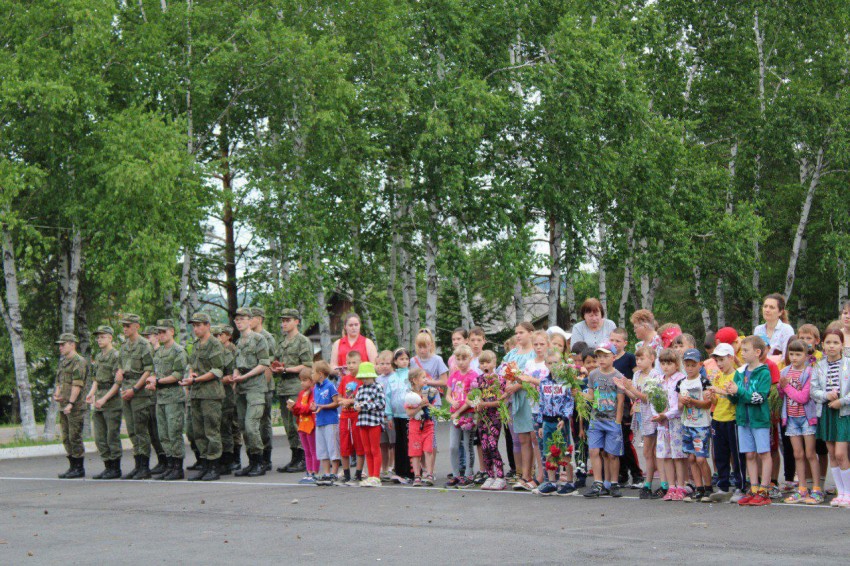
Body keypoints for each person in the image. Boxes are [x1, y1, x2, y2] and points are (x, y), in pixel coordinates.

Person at [724, 336, 773, 506]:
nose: (742, 353)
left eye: (745, 350)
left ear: (757, 352)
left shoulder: (764, 373)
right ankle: (753, 489)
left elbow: (759, 397)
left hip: (759, 420)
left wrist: (739, 392)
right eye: (742, 350)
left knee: (763, 453)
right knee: (749, 454)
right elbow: (737, 400)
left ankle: (764, 490)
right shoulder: (740, 372)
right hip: (743, 420)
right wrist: (731, 393)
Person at [181, 312, 226, 481]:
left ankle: (214, 466)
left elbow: (217, 370)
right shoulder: (197, 344)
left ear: (208, 325)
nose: (196, 328)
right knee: (198, 431)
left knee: (211, 430)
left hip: (211, 394)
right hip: (197, 393)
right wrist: (191, 376)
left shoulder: (214, 344)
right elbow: (193, 365)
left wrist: (196, 379)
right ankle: (205, 464)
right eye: (194, 326)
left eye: (199, 325)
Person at [614, 345, 662, 499]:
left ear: (652, 359)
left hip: (652, 416)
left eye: (643, 359)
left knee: (650, 451)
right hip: (641, 415)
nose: (639, 362)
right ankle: (649, 483)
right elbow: (634, 396)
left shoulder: (654, 375)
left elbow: (647, 397)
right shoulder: (637, 375)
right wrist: (624, 387)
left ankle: (655, 483)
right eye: (638, 359)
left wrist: (631, 389)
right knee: (648, 451)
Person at [810, 329, 850, 507]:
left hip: (843, 412)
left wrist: (841, 401)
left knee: (841, 453)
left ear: (842, 345)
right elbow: (814, 390)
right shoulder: (819, 365)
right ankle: (840, 492)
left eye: (836, 342)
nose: (832, 346)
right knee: (832, 453)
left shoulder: (848, 364)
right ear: (823, 345)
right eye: (828, 343)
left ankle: (848, 492)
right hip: (826, 412)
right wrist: (826, 396)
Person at [779, 339, 822, 504]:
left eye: (798, 354)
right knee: (798, 454)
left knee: (811, 453)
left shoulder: (810, 372)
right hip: (791, 418)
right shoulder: (785, 371)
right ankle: (802, 488)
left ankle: (817, 488)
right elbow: (782, 395)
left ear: (806, 355)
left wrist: (786, 387)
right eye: (791, 354)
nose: (794, 357)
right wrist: (781, 388)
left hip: (806, 418)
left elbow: (803, 397)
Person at [271, 308, 314, 474]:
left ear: (296, 321)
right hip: (283, 386)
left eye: (287, 320)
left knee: (299, 423)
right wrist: (276, 367)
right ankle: (295, 456)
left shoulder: (302, 341)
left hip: (296, 386)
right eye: (283, 321)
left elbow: (307, 365)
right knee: (288, 425)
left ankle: (303, 456)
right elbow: (276, 360)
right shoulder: (282, 342)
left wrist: (286, 369)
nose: (284, 323)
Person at [582, 341, 625, 498]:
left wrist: (618, 421)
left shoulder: (618, 376)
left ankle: (613, 482)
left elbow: (620, 401)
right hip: (596, 419)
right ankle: (598, 482)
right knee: (594, 450)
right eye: (598, 356)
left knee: (612, 454)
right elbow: (591, 396)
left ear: (613, 357)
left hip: (612, 420)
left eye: (605, 356)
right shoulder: (593, 375)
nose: (601, 359)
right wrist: (579, 394)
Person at [232, 307, 271, 477]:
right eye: (237, 319)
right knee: (243, 426)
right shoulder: (238, 342)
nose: (239, 322)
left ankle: (260, 462)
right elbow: (236, 364)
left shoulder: (259, 339)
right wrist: (235, 375)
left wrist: (245, 375)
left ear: (250, 320)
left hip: (255, 387)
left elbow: (264, 364)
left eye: (242, 319)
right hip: (241, 389)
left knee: (252, 425)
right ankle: (252, 461)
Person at [116, 313, 155, 480]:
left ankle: (144, 466)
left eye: (128, 326)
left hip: (139, 393)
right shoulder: (124, 347)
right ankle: (137, 465)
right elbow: (121, 367)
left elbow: (148, 370)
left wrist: (135, 388)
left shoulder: (145, 345)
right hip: (127, 390)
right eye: (124, 326)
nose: (125, 329)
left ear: (137, 326)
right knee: (131, 430)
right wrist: (120, 376)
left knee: (141, 430)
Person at [707, 343, 746, 503]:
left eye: (722, 360)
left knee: (737, 455)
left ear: (731, 358)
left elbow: (736, 397)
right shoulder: (718, 376)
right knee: (720, 455)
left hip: (732, 419)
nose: (720, 364)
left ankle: (740, 486)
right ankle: (723, 485)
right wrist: (712, 396)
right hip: (718, 418)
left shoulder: (737, 375)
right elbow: (717, 400)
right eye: (717, 360)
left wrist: (721, 391)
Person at [500, 322, 537, 491]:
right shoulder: (512, 353)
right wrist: (507, 386)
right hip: (516, 399)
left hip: (530, 397)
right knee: (521, 438)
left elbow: (534, 376)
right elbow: (505, 373)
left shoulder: (533, 353)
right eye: (516, 333)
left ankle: (535, 475)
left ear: (531, 333)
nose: (518, 336)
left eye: (521, 332)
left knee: (533, 436)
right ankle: (524, 475)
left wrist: (518, 385)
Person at [533, 349, 575, 496]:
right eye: (550, 363)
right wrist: (540, 423)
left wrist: (564, 418)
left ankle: (569, 482)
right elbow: (542, 403)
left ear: (562, 363)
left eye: (556, 363)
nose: (553, 366)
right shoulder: (544, 382)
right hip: (547, 421)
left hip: (560, 421)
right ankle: (551, 482)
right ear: (545, 364)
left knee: (564, 451)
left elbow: (569, 402)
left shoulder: (566, 382)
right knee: (549, 452)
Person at [149, 320, 187, 480]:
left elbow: (178, 375)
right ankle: (169, 465)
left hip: (173, 397)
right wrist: (152, 380)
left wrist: (157, 382)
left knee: (174, 432)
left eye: (163, 332)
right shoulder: (158, 352)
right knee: (163, 434)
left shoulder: (178, 351)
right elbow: (154, 371)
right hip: (161, 398)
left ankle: (178, 467)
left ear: (172, 331)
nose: (160, 335)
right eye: (158, 333)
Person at [411, 328, 448, 483]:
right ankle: (422, 469)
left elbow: (444, 381)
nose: (422, 350)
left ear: (431, 345)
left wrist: (429, 382)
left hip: (433, 403)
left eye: (425, 346)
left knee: (430, 437)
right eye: (419, 347)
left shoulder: (437, 360)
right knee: (417, 436)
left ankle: (430, 470)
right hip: (418, 402)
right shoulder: (413, 361)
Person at [677, 349, 713, 502]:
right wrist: (682, 403)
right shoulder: (681, 383)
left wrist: (693, 402)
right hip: (687, 424)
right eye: (687, 365)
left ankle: (708, 487)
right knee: (691, 458)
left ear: (699, 365)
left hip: (701, 425)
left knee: (700, 459)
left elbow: (707, 404)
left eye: (693, 365)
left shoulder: (704, 381)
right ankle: (698, 487)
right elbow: (679, 405)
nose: (690, 368)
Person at [609, 327, 642, 488]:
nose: (614, 343)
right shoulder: (608, 358)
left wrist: (633, 394)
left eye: (618, 341)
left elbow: (637, 376)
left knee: (625, 440)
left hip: (627, 403)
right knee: (615, 440)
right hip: (610, 405)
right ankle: (621, 473)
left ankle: (636, 473)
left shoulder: (629, 358)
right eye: (612, 340)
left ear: (625, 343)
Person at [87, 326, 123, 480]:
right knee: (99, 437)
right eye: (97, 337)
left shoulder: (116, 356)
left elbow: (117, 383)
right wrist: (91, 393)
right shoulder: (99, 356)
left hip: (111, 400)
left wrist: (104, 399)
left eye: (102, 337)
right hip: (99, 399)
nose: (99, 340)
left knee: (111, 436)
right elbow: (96, 379)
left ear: (110, 338)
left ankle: (115, 468)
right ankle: (107, 466)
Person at [469, 351, 507, 491]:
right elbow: (474, 396)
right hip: (482, 418)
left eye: (488, 362)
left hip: (494, 417)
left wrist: (486, 405)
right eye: (482, 363)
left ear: (494, 363)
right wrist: (477, 404)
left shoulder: (500, 380)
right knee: (484, 446)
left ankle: (500, 477)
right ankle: (490, 475)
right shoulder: (478, 380)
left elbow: (501, 401)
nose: (485, 365)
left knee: (492, 445)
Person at [653, 348, 687, 501]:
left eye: (669, 363)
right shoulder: (659, 380)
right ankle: (671, 486)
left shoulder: (681, 379)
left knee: (678, 456)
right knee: (666, 455)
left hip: (675, 422)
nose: (666, 367)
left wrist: (666, 414)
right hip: (662, 424)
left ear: (676, 364)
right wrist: (657, 414)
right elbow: (655, 398)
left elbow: (679, 405)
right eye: (663, 363)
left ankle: (681, 486)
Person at [54, 333, 87, 479]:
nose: (60, 347)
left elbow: (77, 384)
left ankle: (79, 468)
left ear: (72, 344)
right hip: (64, 404)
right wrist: (58, 394)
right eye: (59, 345)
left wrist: (71, 403)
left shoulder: (78, 361)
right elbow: (59, 381)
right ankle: (72, 466)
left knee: (75, 436)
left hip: (75, 406)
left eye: (63, 344)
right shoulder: (63, 362)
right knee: (66, 437)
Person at [250, 307, 277, 473]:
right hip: (251, 386)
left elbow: (269, 364)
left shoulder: (267, 338)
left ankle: (266, 457)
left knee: (264, 422)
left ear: (259, 319)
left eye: (251, 317)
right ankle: (257, 456)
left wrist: (264, 386)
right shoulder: (249, 337)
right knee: (254, 422)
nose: (248, 320)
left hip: (264, 387)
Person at [446, 345, 477, 488]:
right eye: (458, 359)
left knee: (467, 444)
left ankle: (468, 475)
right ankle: (456, 474)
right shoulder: (453, 375)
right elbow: (448, 394)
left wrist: (458, 411)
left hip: (467, 414)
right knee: (453, 446)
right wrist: (452, 402)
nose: (460, 362)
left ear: (470, 359)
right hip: (455, 415)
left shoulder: (473, 376)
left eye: (464, 358)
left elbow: (472, 399)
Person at [141, 326, 168, 477]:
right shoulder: (150, 353)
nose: (147, 339)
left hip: (160, 395)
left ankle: (166, 460)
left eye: (149, 336)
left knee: (160, 430)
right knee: (152, 431)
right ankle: (161, 459)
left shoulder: (160, 353)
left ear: (156, 337)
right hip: (149, 396)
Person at [354, 361, 386, 487]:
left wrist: (365, 406)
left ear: (372, 376)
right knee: (367, 449)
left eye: (367, 377)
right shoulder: (360, 389)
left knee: (374, 449)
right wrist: (357, 405)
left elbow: (381, 403)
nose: (365, 380)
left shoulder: (378, 387)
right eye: (363, 377)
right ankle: (371, 475)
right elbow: (356, 401)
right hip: (362, 422)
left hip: (374, 422)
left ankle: (376, 476)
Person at [214, 326, 241, 473]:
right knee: (223, 426)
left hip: (230, 392)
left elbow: (232, 375)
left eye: (220, 334)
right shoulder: (218, 350)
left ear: (228, 336)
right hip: (220, 393)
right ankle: (226, 459)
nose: (218, 337)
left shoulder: (232, 350)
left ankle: (234, 459)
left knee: (232, 426)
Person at [337, 350, 365, 485]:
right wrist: (342, 401)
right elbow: (339, 396)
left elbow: (363, 398)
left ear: (360, 363)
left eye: (354, 362)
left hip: (357, 416)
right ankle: (346, 473)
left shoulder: (362, 379)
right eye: (348, 363)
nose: (351, 365)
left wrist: (351, 402)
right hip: (344, 416)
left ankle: (358, 473)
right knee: (344, 446)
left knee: (359, 445)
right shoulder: (344, 379)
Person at [288, 368, 318, 484]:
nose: (302, 383)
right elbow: (299, 411)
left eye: (305, 380)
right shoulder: (301, 393)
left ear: (312, 381)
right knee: (306, 450)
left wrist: (296, 407)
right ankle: (308, 471)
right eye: (301, 380)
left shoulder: (313, 392)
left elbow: (308, 409)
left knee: (313, 450)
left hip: (310, 425)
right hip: (302, 425)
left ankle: (315, 472)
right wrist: (293, 408)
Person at [312, 361, 340, 486]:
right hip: (320, 421)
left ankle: (334, 472)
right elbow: (316, 404)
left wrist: (323, 406)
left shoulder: (330, 386)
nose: (312, 375)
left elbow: (336, 402)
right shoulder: (315, 388)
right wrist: (314, 407)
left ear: (321, 374)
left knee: (332, 447)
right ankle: (326, 473)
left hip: (330, 421)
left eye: (313, 372)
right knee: (322, 449)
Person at [386, 348, 412, 483]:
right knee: (399, 443)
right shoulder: (392, 378)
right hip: (396, 415)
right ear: (395, 361)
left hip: (409, 414)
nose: (404, 361)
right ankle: (400, 471)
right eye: (401, 359)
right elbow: (388, 397)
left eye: (406, 359)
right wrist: (389, 415)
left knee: (409, 443)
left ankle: (410, 471)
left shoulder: (411, 375)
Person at [754, 293, 796, 362]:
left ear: (780, 312)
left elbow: (787, 356)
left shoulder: (787, 329)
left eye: (771, 307)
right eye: (765, 306)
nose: (767, 310)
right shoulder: (758, 329)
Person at [374, 351, 396, 480]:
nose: (385, 366)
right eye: (382, 363)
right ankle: (384, 468)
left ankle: (392, 467)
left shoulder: (395, 377)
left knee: (393, 443)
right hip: (380, 416)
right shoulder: (377, 379)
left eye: (388, 363)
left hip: (391, 416)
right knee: (383, 443)